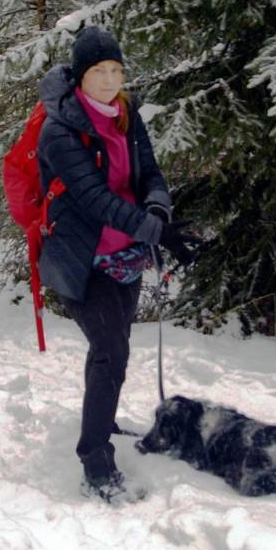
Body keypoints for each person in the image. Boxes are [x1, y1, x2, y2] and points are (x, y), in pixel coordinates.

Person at [36, 26, 172, 502]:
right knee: (110, 350)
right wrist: (150, 227)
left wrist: (158, 208)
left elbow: (150, 171)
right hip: (80, 259)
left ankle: (103, 417)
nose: (111, 80)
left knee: (114, 346)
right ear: (80, 76)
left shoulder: (126, 116)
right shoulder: (59, 130)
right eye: (99, 71)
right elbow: (92, 198)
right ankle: (95, 461)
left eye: (117, 70)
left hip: (124, 255)